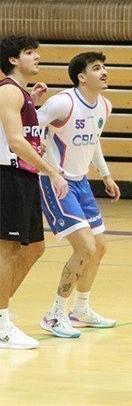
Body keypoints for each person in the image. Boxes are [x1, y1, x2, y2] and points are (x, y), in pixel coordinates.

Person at [37, 52, 121, 339]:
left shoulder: (104, 106)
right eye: (97, 68)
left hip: (81, 182)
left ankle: (80, 310)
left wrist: (105, 174)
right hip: (55, 181)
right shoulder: (63, 102)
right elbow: (28, 129)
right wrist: (48, 169)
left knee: (99, 247)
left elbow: (94, 141)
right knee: (84, 247)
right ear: (81, 77)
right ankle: (55, 314)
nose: (104, 72)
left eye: (104, 67)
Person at [0, 35, 68, 350]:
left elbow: (24, 132)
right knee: (8, 250)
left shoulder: (20, 94)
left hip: (23, 176)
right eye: (29, 52)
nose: (37, 57)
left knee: (35, 248)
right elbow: (15, 141)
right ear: (13, 60)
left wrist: (33, 102)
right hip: (8, 174)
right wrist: (52, 170)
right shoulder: (8, 92)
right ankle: (2, 323)